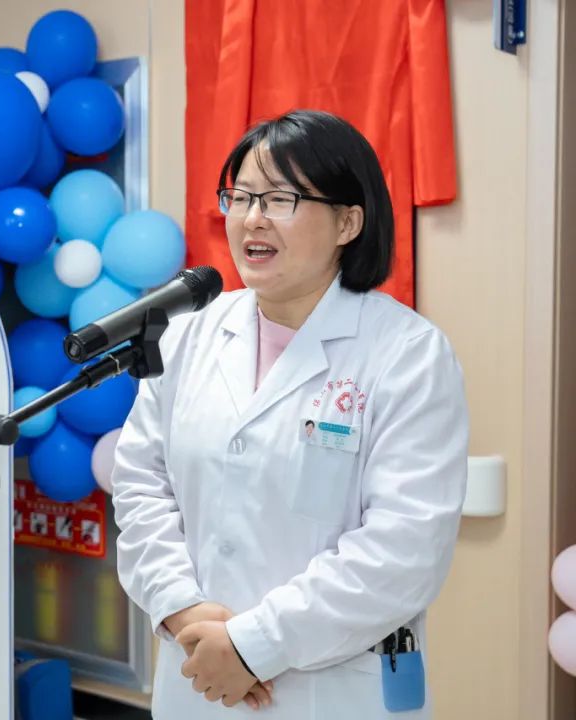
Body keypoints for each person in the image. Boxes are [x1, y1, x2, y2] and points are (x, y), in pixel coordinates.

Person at [112, 110, 468, 719]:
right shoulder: (190, 334)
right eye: (240, 196)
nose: (252, 218)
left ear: (348, 222)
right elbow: (141, 485)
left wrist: (253, 645)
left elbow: (404, 548)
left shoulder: (407, 354)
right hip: (197, 671)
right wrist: (181, 607)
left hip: (331, 687)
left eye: (281, 199)